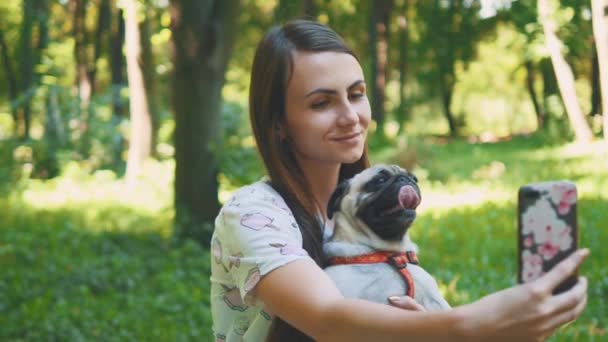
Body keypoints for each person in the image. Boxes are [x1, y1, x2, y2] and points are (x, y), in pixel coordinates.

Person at [209, 19, 588, 342]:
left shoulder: (366, 219)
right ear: (278, 125)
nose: (350, 117)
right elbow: (328, 319)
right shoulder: (251, 213)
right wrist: (476, 322)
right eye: (321, 103)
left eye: (356, 95)